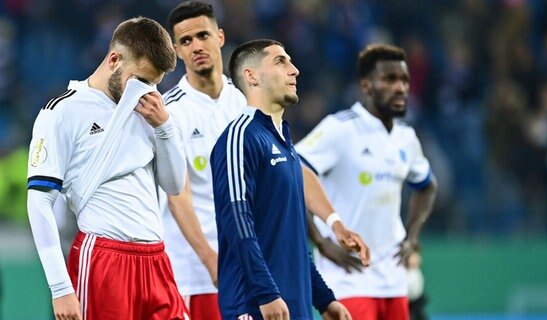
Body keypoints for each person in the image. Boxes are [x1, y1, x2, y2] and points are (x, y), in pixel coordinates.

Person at [160, 2, 369, 319]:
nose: (196, 46)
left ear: (219, 36)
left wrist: (333, 223)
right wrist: (209, 258)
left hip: (260, 266)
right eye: (186, 42)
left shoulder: (250, 104)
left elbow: (292, 176)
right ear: (176, 50)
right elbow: (178, 194)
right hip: (198, 272)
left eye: (202, 35)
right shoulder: (172, 112)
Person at [26, 17, 189, 320]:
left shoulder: (151, 110)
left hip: (156, 260)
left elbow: (174, 185)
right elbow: (39, 202)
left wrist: (165, 128)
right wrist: (60, 287)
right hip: (103, 260)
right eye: (140, 79)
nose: (148, 89)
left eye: (154, 82)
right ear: (114, 59)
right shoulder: (63, 112)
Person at [211, 38, 352, 320]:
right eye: (280, 61)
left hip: (291, 306)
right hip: (256, 306)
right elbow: (237, 222)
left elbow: (291, 238)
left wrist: (324, 299)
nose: (294, 70)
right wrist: (265, 293)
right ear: (251, 76)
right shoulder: (240, 138)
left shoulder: (285, 144)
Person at [296, 43, 438, 320]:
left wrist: (412, 236)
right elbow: (292, 173)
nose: (400, 87)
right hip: (348, 276)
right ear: (366, 85)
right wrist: (320, 243)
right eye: (389, 79)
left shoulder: (406, 138)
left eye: (404, 80)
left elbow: (427, 186)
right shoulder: (340, 128)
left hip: (393, 277)